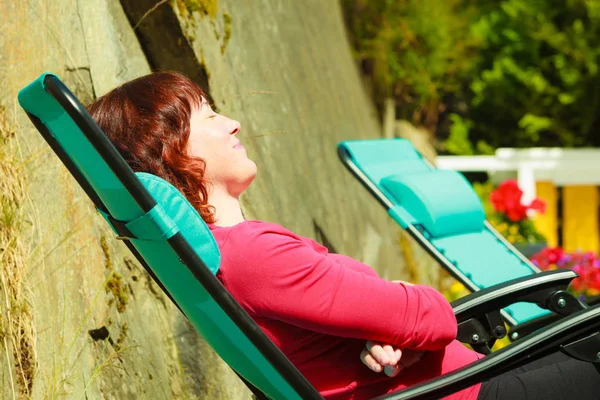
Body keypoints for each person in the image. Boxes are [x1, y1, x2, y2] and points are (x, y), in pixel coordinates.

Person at [88, 71, 600, 400]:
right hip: (471, 391)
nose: (236, 123)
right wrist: (402, 319)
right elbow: (431, 318)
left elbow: (385, 321)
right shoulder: (255, 257)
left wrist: (382, 328)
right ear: (173, 149)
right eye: (213, 115)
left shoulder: (231, 260)